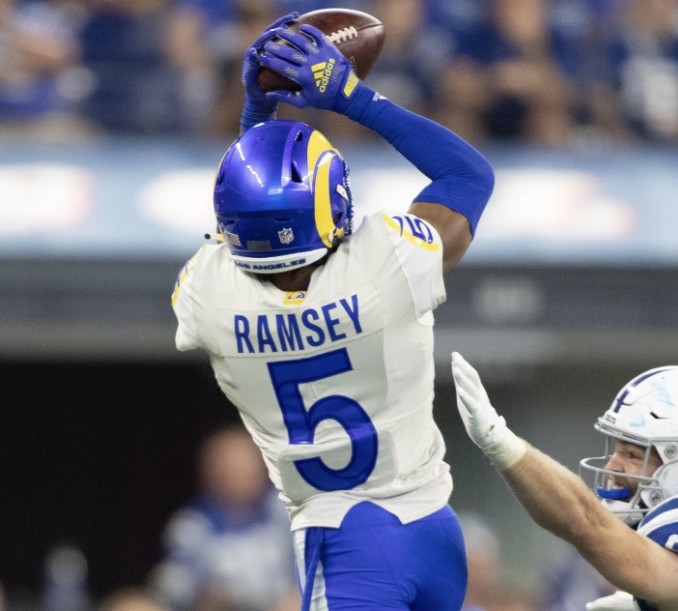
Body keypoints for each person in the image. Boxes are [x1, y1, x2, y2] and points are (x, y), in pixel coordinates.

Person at [170, 10, 495, 610]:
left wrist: (255, 117)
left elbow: (239, 222)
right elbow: (467, 175)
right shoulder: (383, 262)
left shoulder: (208, 297)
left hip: (346, 540)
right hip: (432, 526)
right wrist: (353, 97)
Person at [450, 353, 678, 610]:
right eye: (618, 450)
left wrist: (502, 444)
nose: (613, 466)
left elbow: (584, 523)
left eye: (633, 455)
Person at [152, 426, 297, 611]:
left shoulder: (287, 511)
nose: (239, 474)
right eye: (228, 467)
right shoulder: (191, 526)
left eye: (245, 465)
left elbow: (321, 568)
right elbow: (173, 588)